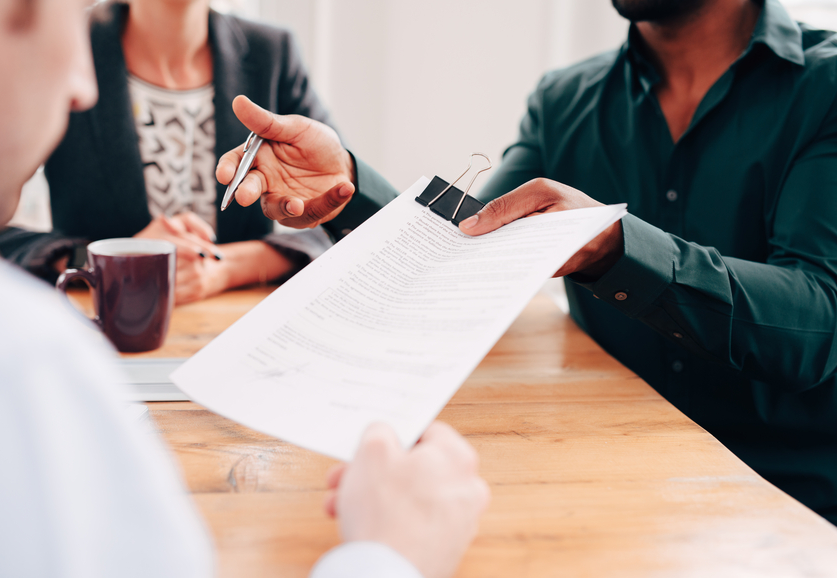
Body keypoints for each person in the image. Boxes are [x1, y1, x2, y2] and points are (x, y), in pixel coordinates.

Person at [217, 0, 837, 525]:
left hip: (785, 500)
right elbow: (474, 240)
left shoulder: (825, 87)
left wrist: (617, 247)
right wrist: (349, 182)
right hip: (600, 481)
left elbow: (817, 322)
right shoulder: (565, 98)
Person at [0, 1, 489, 576]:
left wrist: (228, 264)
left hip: (244, 371)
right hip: (127, 350)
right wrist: (112, 255)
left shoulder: (269, 51)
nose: (82, 91)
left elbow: (330, 214)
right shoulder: (24, 356)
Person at [0, 0, 346, 304]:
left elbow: (346, 215)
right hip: (103, 331)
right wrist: (104, 259)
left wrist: (226, 267)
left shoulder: (272, 52)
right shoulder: (64, 45)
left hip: (237, 336)